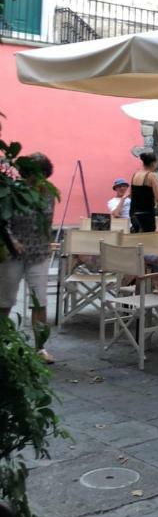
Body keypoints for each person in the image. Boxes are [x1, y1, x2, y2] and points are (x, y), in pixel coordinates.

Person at [0, 153, 56, 363]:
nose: (39, 179)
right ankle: (2, 344)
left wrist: (48, 243)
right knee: (5, 300)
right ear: (26, 173)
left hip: (39, 253)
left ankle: (40, 349)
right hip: (12, 254)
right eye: (35, 174)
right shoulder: (12, 192)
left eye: (43, 175)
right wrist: (12, 241)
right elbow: (3, 221)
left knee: (40, 301)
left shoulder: (49, 194)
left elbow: (48, 222)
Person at [129, 151, 158, 233]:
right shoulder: (152, 176)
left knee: (137, 241)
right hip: (146, 214)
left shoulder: (135, 175)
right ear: (154, 163)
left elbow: (131, 195)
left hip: (133, 214)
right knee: (148, 242)